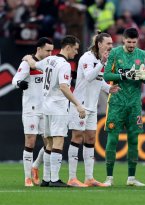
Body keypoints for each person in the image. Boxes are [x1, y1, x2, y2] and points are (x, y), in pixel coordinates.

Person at [24, 35, 86, 187]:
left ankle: (46, 179)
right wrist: (77, 104)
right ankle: (54, 179)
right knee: (58, 141)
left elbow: (33, 64)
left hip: (45, 107)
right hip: (58, 107)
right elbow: (64, 87)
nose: (76, 53)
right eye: (75, 49)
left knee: (49, 143)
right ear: (68, 47)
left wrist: (27, 57)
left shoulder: (49, 60)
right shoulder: (64, 64)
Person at [67, 32, 120, 187]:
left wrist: (108, 88)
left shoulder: (99, 60)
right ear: (99, 44)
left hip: (92, 105)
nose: (111, 46)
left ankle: (89, 178)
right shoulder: (87, 58)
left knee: (90, 139)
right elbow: (89, 76)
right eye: (108, 44)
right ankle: (72, 178)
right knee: (77, 137)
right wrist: (102, 64)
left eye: (111, 43)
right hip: (80, 104)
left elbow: (98, 80)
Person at [103, 27, 145, 187]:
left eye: (134, 42)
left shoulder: (143, 55)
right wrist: (124, 75)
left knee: (133, 140)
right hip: (116, 102)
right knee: (112, 139)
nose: (131, 44)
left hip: (134, 104)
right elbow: (106, 75)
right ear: (123, 40)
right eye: (128, 42)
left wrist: (137, 75)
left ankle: (131, 178)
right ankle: (109, 178)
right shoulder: (115, 54)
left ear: (137, 41)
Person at [12, 37, 54, 187]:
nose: (50, 53)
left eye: (51, 50)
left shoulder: (48, 64)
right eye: (47, 50)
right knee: (30, 141)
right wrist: (20, 83)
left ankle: (35, 166)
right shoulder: (27, 64)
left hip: (47, 109)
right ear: (39, 49)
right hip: (31, 109)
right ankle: (27, 177)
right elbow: (15, 79)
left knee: (50, 142)